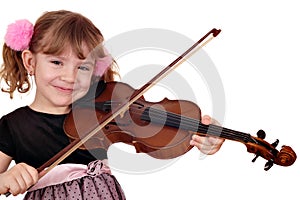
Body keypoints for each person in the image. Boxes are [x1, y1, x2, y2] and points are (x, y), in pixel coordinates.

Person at [0, 10, 224, 199]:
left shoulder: (101, 109)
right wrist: (4, 180)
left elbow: (159, 134)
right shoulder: (12, 126)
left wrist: (203, 134)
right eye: (57, 62)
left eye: (83, 67)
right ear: (30, 61)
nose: (70, 77)